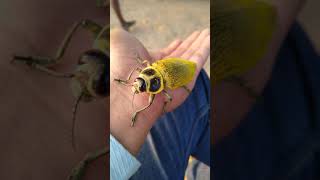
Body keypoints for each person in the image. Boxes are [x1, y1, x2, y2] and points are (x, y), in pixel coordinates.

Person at [110, 28, 210, 179]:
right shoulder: (150, 71)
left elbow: (142, 69)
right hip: (176, 69)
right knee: (199, 88)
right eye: (139, 83)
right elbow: (142, 67)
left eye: (140, 84)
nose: (136, 87)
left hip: (182, 71)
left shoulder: (157, 86)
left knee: (198, 87)